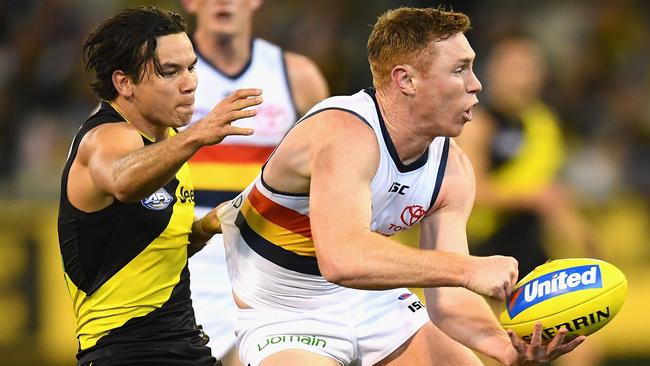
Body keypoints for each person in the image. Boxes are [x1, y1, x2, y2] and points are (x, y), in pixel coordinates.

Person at [214, 7, 585, 366]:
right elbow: (343, 259)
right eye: (459, 69)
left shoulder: (452, 167)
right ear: (405, 79)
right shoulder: (345, 132)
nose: (476, 84)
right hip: (285, 310)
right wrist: (469, 269)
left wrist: (505, 347)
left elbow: (449, 300)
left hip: (370, 301)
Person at [57, 6, 262, 366]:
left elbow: (146, 251)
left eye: (191, 67)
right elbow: (122, 180)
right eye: (171, 71)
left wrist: (204, 229)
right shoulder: (106, 138)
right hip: (124, 352)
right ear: (124, 83)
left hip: (186, 346)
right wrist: (198, 135)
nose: (190, 83)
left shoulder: (169, 143)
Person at [179, 0, 329, 364]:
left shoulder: (295, 75)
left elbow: (333, 163)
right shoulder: (164, 74)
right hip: (190, 247)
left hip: (268, 249)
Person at [456, 35, 602, 366]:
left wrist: (581, 237)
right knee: (493, 352)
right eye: (514, 67)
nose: (523, 75)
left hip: (532, 252)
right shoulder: (477, 121)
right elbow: (469, 191)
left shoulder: (543, 123)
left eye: (530, 67)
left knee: (584, 347)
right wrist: (530, 197)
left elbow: (549, 192)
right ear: (493, 71)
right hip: (483, 251)